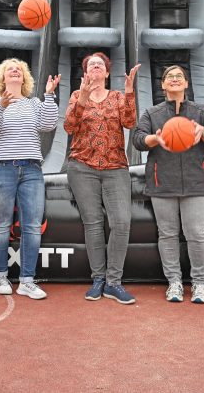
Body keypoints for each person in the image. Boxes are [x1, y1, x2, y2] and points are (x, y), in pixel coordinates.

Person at [132, 65, 204, 303]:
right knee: (168, 234)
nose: (174, 79)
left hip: (195, 181)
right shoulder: (152, 113)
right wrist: (154, 138)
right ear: (162, 85)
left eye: (179, 76)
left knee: (195, 233)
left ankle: (200, 284)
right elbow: (137, 139)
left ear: (186, 84)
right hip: (162, 182)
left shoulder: (201, 111)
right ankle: (174, 282)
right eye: (169, 77)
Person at [0, 59, 60, 300]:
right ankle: (1, 276)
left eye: (19, 69)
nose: (14, 71)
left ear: (24, 78)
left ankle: (27, 280)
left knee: (32, 227)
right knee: (1, 226)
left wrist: (49, 96)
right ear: (2, 78)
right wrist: (2, 106)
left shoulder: (34, 103)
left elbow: (48, 124)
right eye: (9, 69)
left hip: (31, 170)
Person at [64, 52, 140, 304]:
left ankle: (113, 282)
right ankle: (98, 279)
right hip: (82, 167)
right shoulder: (77, 95)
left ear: (107, 73)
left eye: (100, 65)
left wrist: (130, 91)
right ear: (86, 73)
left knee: (121, 222)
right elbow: (69, 126)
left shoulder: (118, 97)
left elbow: (130, 122)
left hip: (115, 167)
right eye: (90, 65)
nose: (95, 67)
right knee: (93, 223)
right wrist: (83, 100)